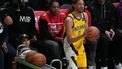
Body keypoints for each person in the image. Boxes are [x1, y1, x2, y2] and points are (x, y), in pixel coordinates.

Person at [35, 1, 66, 68]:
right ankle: (57, 66)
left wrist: (63, 38)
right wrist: (57, 38)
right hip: (44, 39)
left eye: (58, 7)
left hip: (57, 38)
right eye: (54, 7)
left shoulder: (63, 16)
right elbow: (45, 34)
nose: (56, 9)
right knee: (54, 45)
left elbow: (64, 29)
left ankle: (66, 63)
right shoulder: (44, 17)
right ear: (49, 8)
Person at [87, 0, 116, 69]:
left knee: (119, 36)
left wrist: (111, 29)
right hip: (97, 30)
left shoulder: (111, 6)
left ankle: (117, 61)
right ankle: (103, 65)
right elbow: (93, 23)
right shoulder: (91, 7)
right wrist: (104, 31)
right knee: (104, 39)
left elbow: (113, 20)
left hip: (109, 29)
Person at [64, 0, 88, 69]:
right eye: (79, 4)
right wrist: (83, 35)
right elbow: (69, 40)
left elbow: (87, 31)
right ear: (74, 5)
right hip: (70, 47)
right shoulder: (69, 20)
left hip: (80, 47)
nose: (82, 6)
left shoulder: (85, 15)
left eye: (83, 4)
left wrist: (91, 35)